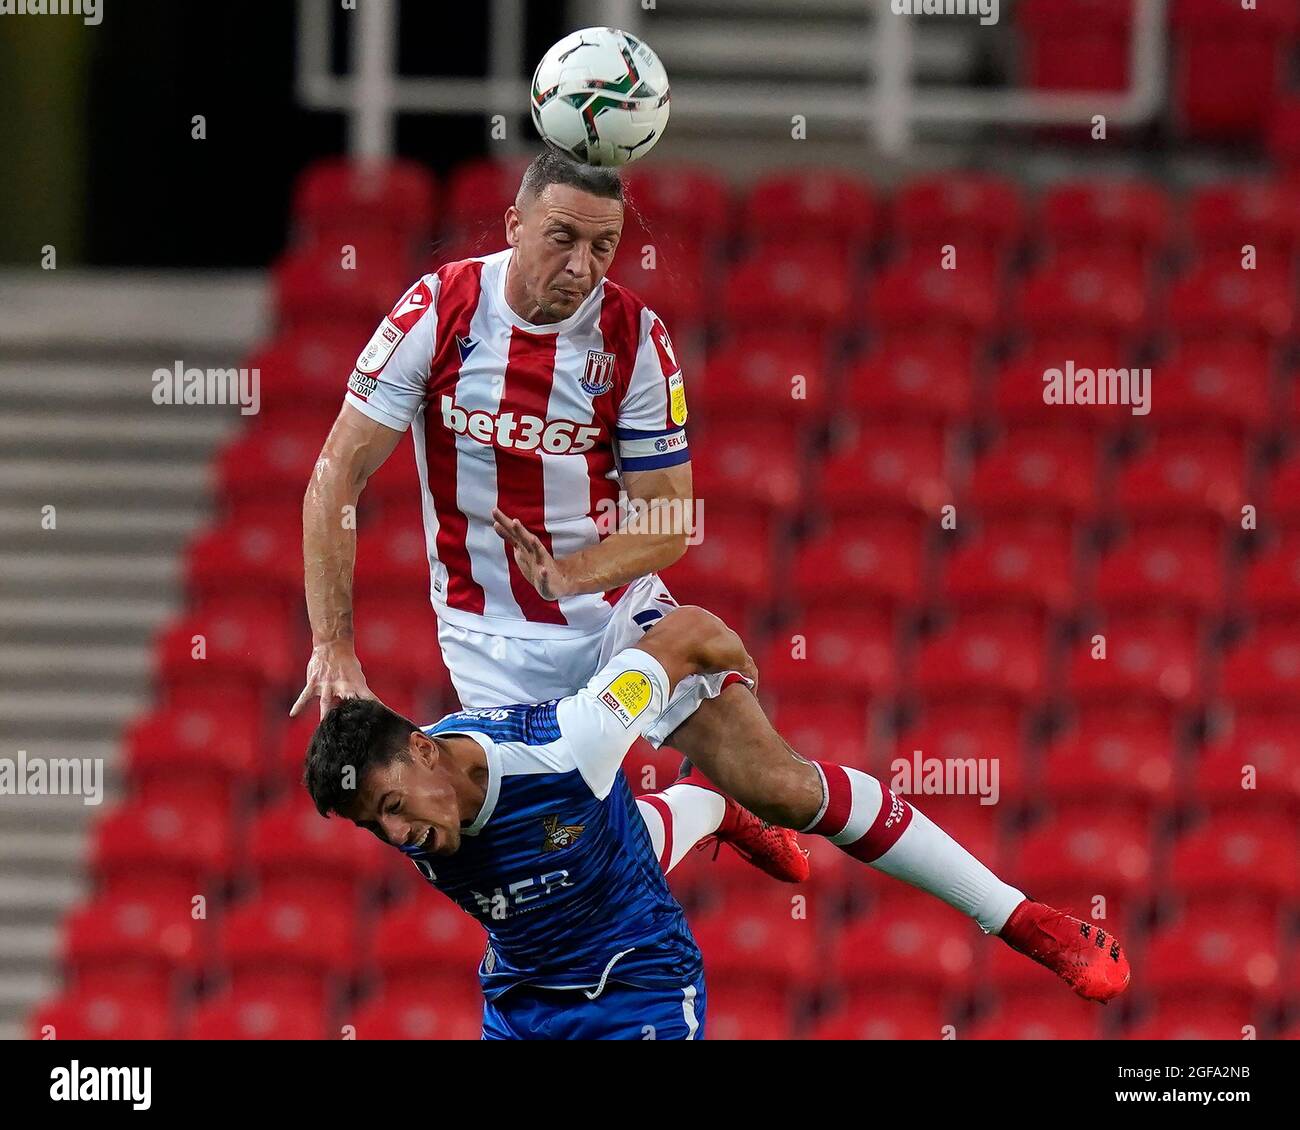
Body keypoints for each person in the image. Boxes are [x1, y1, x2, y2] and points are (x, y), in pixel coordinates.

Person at [295, 151, 1130, 1004]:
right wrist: (333, 643)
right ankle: (706, 813)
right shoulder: (437, 312)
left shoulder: (633, 340)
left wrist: (571, 572)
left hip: (611, 616)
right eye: (562, 238)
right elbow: (336, 475)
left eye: (603, 246)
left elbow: (668, 519)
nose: (581, 266)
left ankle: (1023, 918)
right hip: (488, 650)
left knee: (781, 784)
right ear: (513, 226)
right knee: (567, 881)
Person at [305, 607, 776, 1039]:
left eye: (391, 805)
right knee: (582, 851)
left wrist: (744, 683)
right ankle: (706, 802)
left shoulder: (573, 740)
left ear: (425, 749)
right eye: (372, 825)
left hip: (638, 984)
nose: (395, 835)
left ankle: (712, 801)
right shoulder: (420, 818)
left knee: (584, 846)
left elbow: (687, 631)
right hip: (523, 1007)